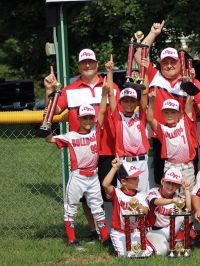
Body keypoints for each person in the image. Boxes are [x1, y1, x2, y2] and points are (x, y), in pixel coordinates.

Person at [44, 50, 120, 237]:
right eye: (83, 63)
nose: (87, 66)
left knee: (109, 192)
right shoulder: (69, 90)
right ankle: (95, 230)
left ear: (96, 64)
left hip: (109, 146)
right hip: (83, 151)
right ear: (78, 66)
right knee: (87, 197)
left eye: (91, 62)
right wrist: (48, 91)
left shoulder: (109, 85)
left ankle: (114, 228)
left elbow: (118, 112)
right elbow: (51, 111)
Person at [135, 20, 200, 185]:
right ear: (160, 64)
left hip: (186, 141)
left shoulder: (190, 81)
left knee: (188, 186)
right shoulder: (155, 76)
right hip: (161, 138)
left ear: (179, 63)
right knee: (165, 186)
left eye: (172, 62)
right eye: (165, 62)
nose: (169, 65)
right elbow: (138, 56)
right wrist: (153, 33)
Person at [45, 102, 110, 250]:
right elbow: (49, 139)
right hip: (78, 177)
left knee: (97, 208)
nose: (88, 121)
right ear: (78, 119)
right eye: (84, 118)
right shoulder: (71, 136)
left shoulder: (95, 130)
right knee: (71, 208)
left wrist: (105, 94)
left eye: (90, 118)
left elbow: (102, 112)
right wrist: (46, 126)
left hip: (93, 176)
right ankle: (71, 239)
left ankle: (105, 237)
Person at [107, 61, 150, 192]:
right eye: (125, 101)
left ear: (136, 102)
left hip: (141, 161)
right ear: (120, 102)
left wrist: (146, 72)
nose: (129, 103)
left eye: (132, 100)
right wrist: (109, 72)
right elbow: (110, 94)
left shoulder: (141, 116)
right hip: (125, 162)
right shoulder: (118, 117)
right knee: (126, 197)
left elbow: (144, 93)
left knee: (143, 196)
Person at [102, 154, 154, 257]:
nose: (138, 180)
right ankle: (115, 244)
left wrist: (137, 205)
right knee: (125, 255)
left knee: (146, 253)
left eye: (137, 177)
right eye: (134, 178)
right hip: (119, 232)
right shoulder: (117, 193)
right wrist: (114, 168)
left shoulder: (141, 194)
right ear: (124, 182)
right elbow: (105, 184)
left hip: (135, 232)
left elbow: (145, 211)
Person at [147, 92, 197, 191]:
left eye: (173, 112)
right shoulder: (162, 129)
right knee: (171, 196)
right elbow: (150, 118)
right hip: (170, 166)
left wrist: (188, 85)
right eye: (166, 112)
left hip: (187, 166)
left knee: (188, 196)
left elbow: (188, 105)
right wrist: (152, 101)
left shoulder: (185, 123)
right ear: (162, 113)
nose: (170, 115)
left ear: (179, 113)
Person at [145, 168, 191, 255]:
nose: (170, 186)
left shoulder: (177, 197)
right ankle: (159, 244)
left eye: (174, 184)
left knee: (184, 216)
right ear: (162, 181)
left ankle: (178, 242)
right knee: (162, 251)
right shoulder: (153, 191)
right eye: (168, 182)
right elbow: (156, 201)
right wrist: (172, 201)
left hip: (170, 229)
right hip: (154, 231)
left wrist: (187, 190)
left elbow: (188, 210)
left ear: (178, 186)